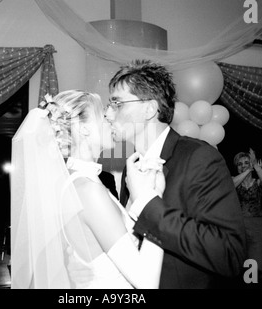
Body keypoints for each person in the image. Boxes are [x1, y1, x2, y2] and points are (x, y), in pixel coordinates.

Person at [103, 59, 246, 289]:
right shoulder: (132, 166)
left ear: (150, 109)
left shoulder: (199, 158)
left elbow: (229, 254)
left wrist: (148, 204)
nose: (108, 113)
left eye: (117, 104)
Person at [10, 90, 164, 289]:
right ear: (83, 129)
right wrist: (153, 198)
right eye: (102, 114)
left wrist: (137, 196)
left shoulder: (74, 184)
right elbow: (146, 282)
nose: (110, 117)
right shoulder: (89, 191)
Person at [232, 148, 262, 289]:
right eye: (240, 164)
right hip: (237, 225)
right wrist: (249, 169)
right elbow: (230, 186)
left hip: (255, 225)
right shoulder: (233, 181)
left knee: (256, 261)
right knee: (240, 261)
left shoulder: (257, 182)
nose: (243, 165)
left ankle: (257, 286)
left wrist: (255, 166)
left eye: (246, 163)